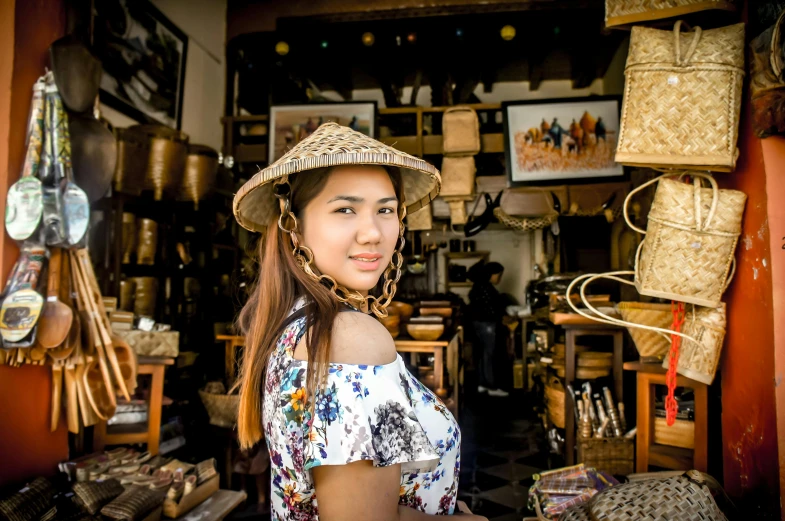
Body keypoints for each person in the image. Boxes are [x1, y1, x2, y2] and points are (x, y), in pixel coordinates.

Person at [233, 123, 486, 520]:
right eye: (345, 209)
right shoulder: (352, 338)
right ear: (292, 225)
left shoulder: (292, 323)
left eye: (385, 210)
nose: (373, 233)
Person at [468, 262, 508, 398]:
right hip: (487, 324)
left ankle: (482, 384)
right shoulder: (486, 288)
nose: (499, 278)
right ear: (492, 274)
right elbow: (491, 308)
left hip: (478, 323)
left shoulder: (479, 286)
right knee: (488, 355)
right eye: (499, 275)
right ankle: (491, 386)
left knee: (482, 354)